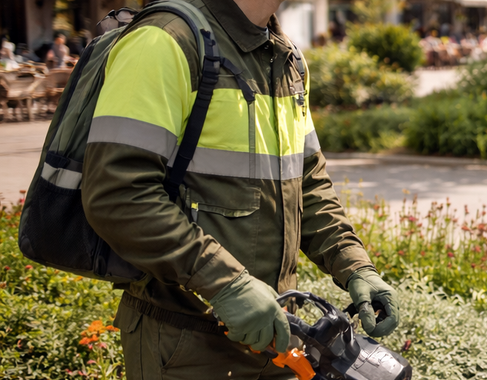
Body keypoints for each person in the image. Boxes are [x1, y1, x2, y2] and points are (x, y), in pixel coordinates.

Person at [80, 0, 400, 378]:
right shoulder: (165, 40)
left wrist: (354, 265)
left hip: (277, 344)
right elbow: (117, 193)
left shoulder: (285, 57)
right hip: (186, 349)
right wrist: (226, 283)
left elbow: (308, 184)